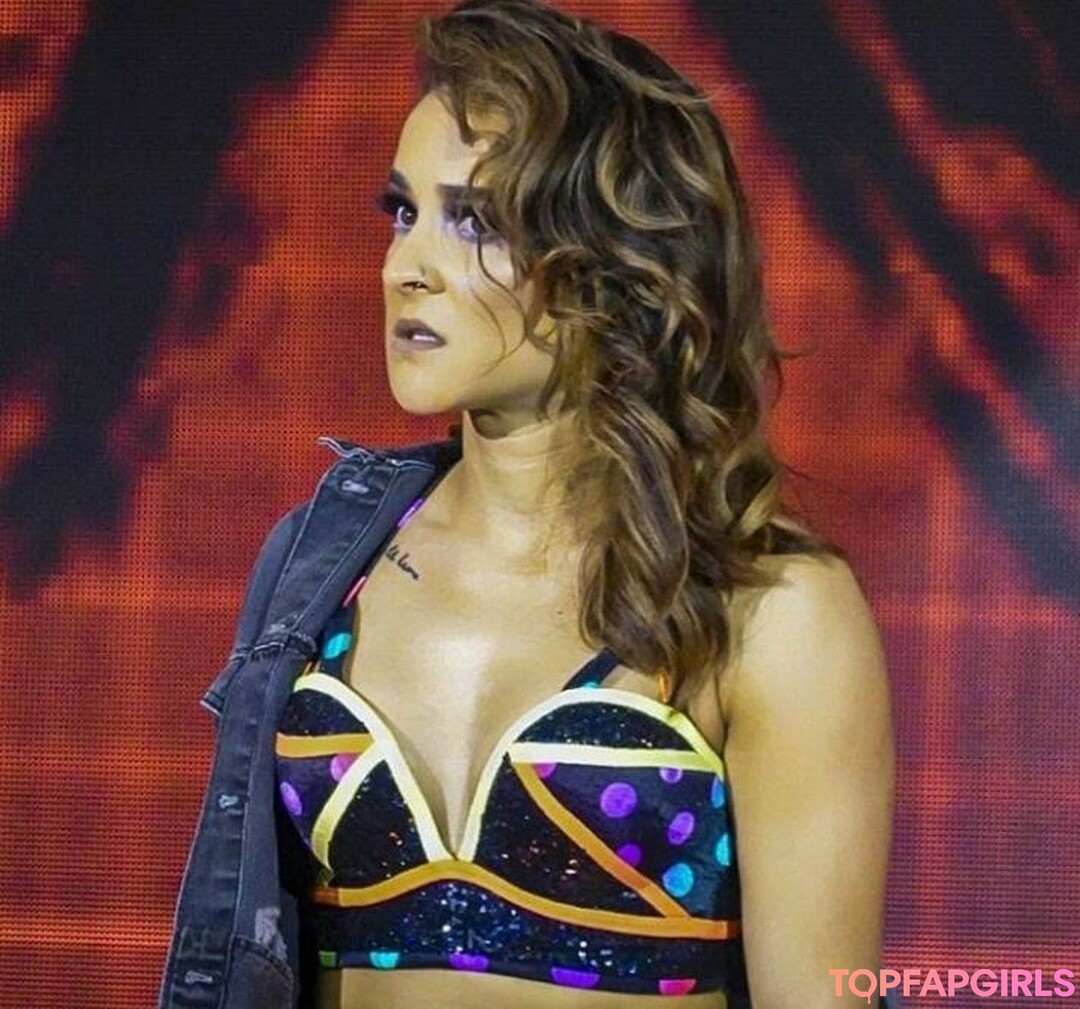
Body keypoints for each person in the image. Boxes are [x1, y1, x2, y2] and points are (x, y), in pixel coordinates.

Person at [158, 2, 895, 1007]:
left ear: (615, 261)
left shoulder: (766, 610)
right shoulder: (323, 567)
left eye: (475, 221)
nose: (405, 268)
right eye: (404, 212)